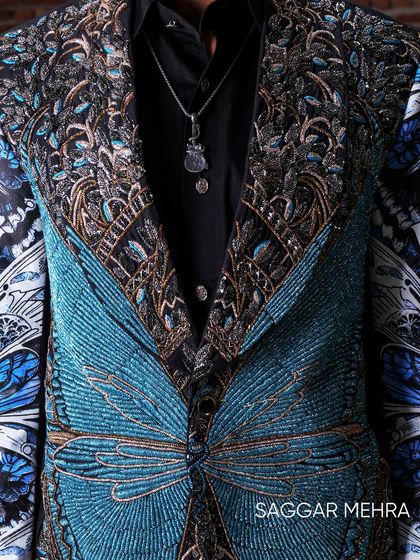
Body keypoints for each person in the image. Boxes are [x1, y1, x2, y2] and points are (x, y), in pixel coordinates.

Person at [0, 0, 418, 558]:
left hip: (322, 530)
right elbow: (11, 344)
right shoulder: (26, 70)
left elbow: (409, 339)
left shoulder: (383, 62)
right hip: (101, 532)